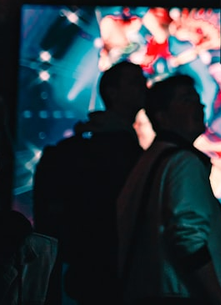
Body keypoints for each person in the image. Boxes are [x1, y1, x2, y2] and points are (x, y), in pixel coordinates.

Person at [33, 60, 147, 305]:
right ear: (112, 92)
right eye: (134, 82)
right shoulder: (110, 149)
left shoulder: (107, 143)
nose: (143, 87)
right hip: (105, 266)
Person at [116, 74, 221, 305]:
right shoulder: (183, 162)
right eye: (186, 99)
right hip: (179, 295)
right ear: (162, 116)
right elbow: (188, 238)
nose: (198, 105)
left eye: (197, 98)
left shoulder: (149, 160)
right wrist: (218, 299)